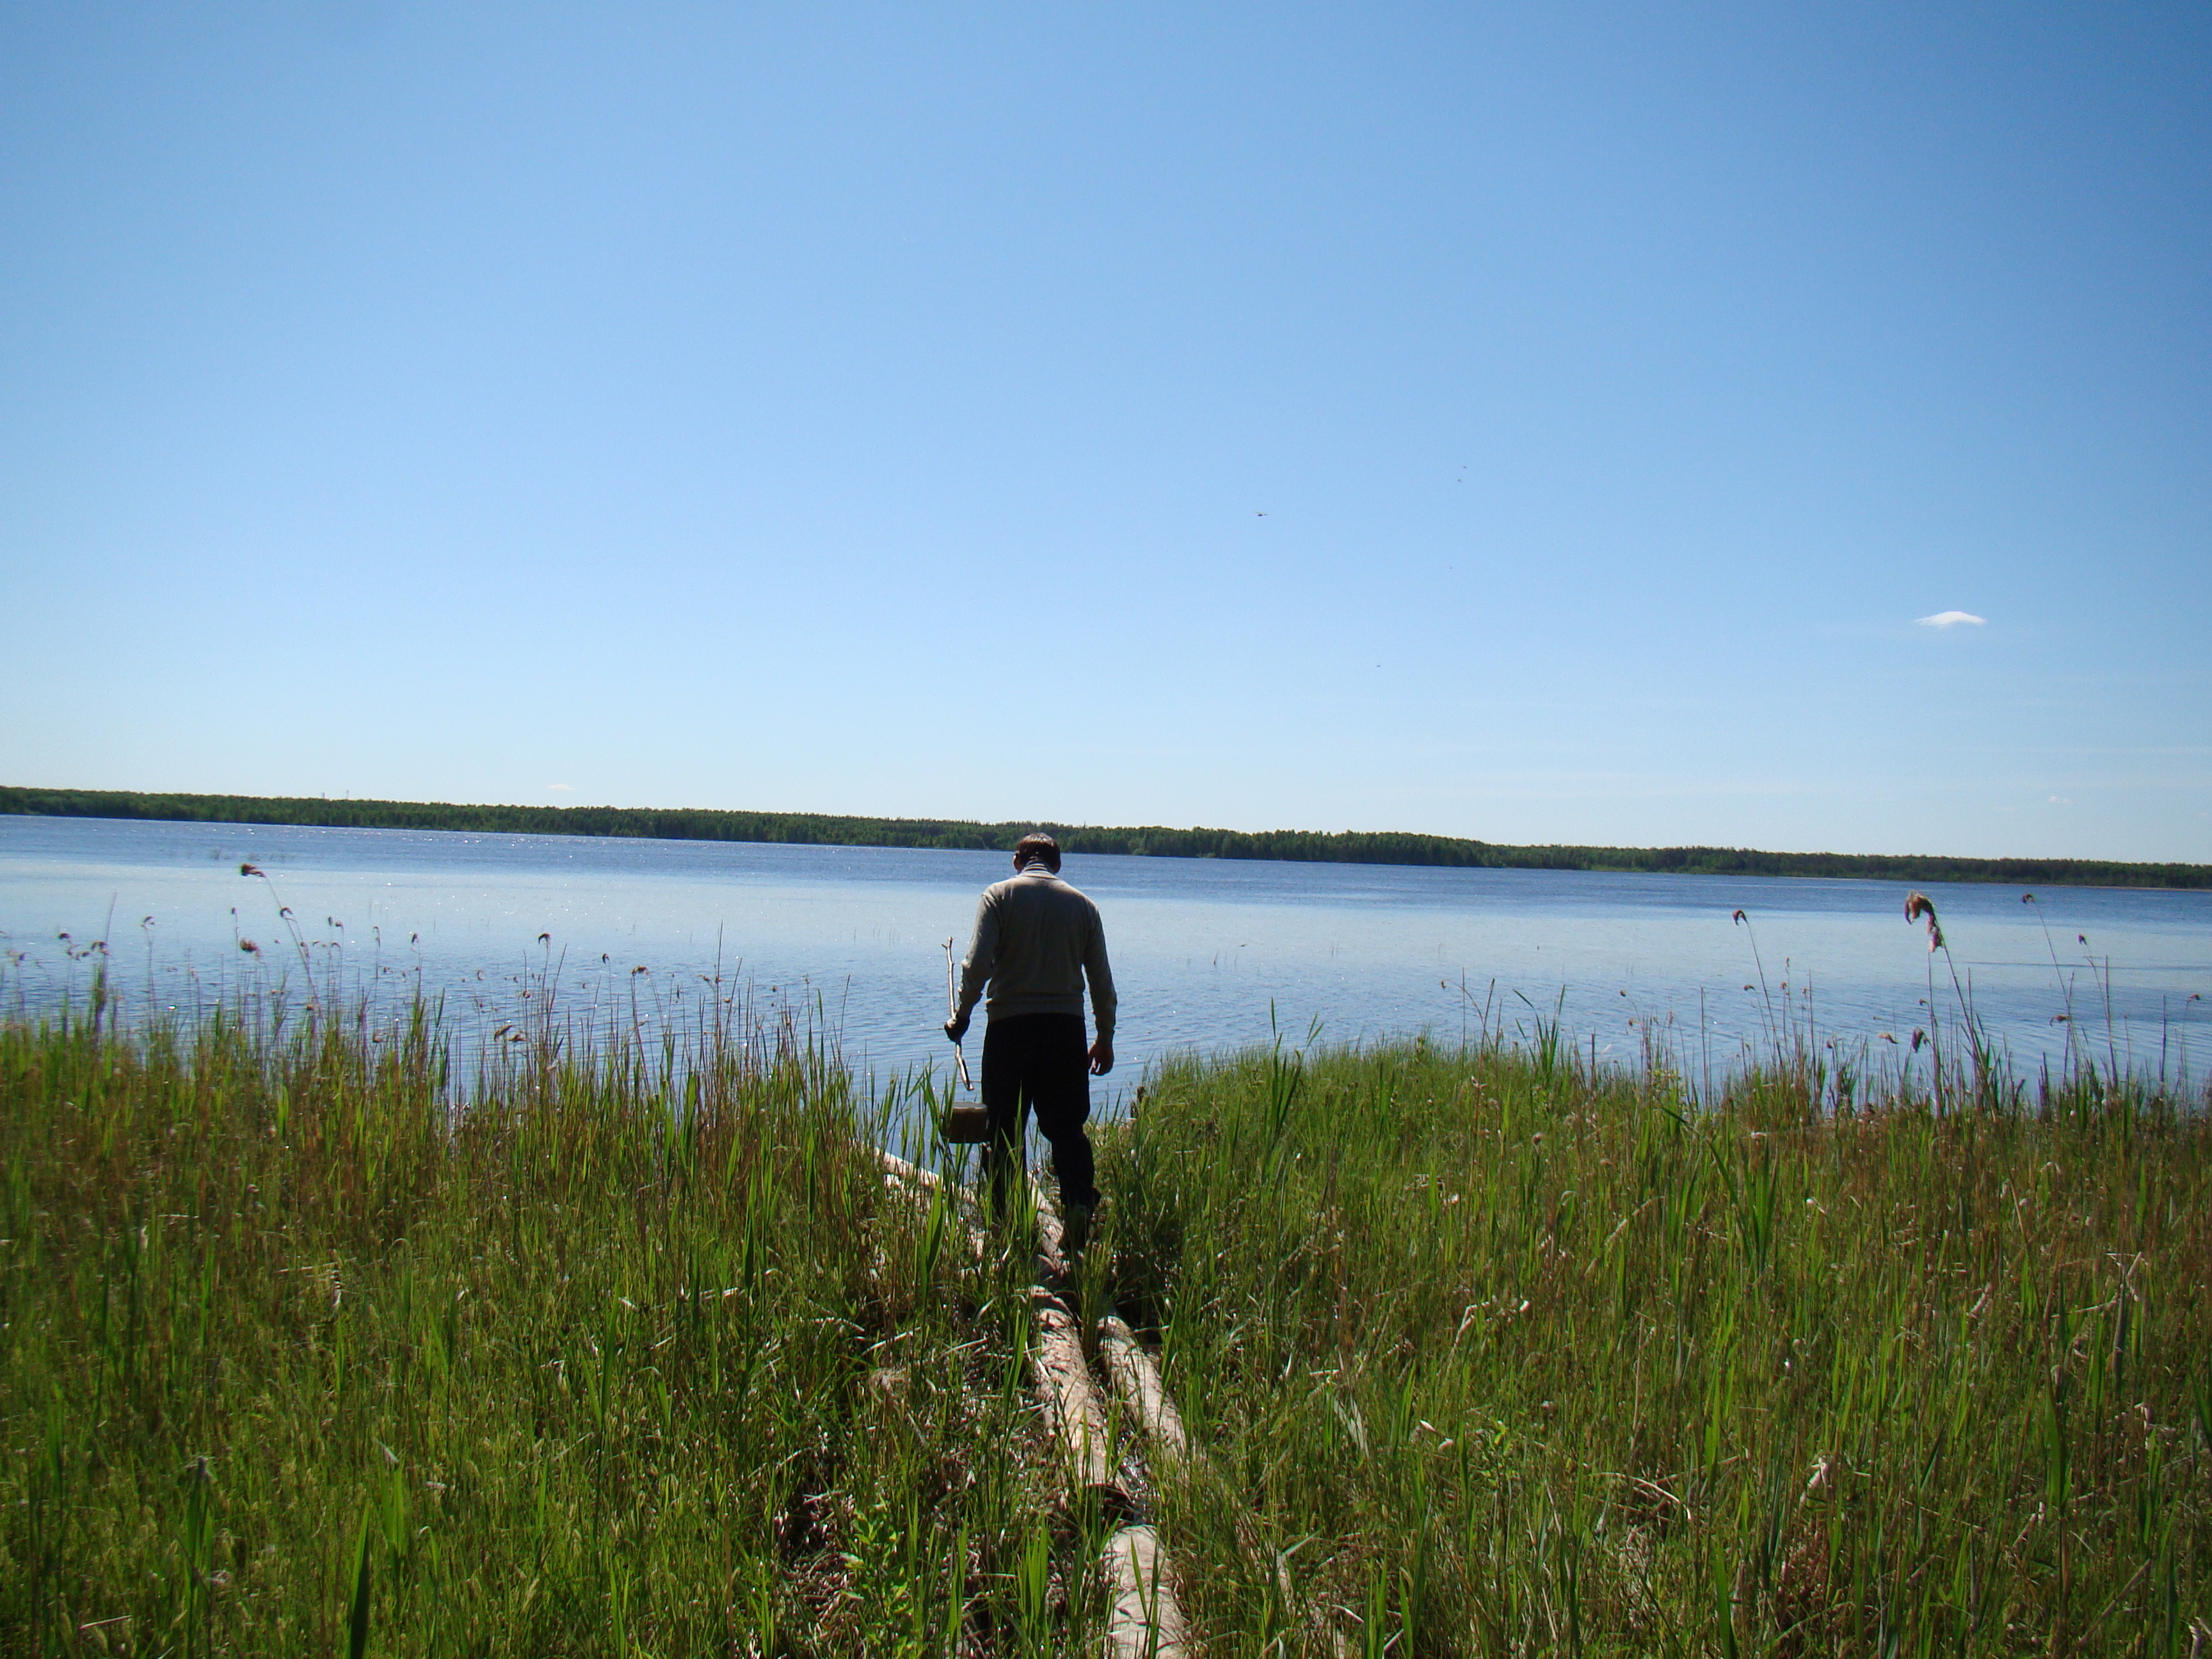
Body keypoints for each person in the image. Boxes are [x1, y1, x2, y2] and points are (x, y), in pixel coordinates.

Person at [943, 831, 1115, 1252]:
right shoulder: (1084, 906)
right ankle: (1079, 1205)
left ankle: (1009, 1232)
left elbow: (976, 965)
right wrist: (1104, 1038)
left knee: (1004, 1132)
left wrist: (961, 1016)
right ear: (1057, 865)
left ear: (1017, 861)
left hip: (1010, 1030)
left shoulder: (998, 896)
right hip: (1065, 1031)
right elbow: (1101, 983)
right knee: (1067, 1130)